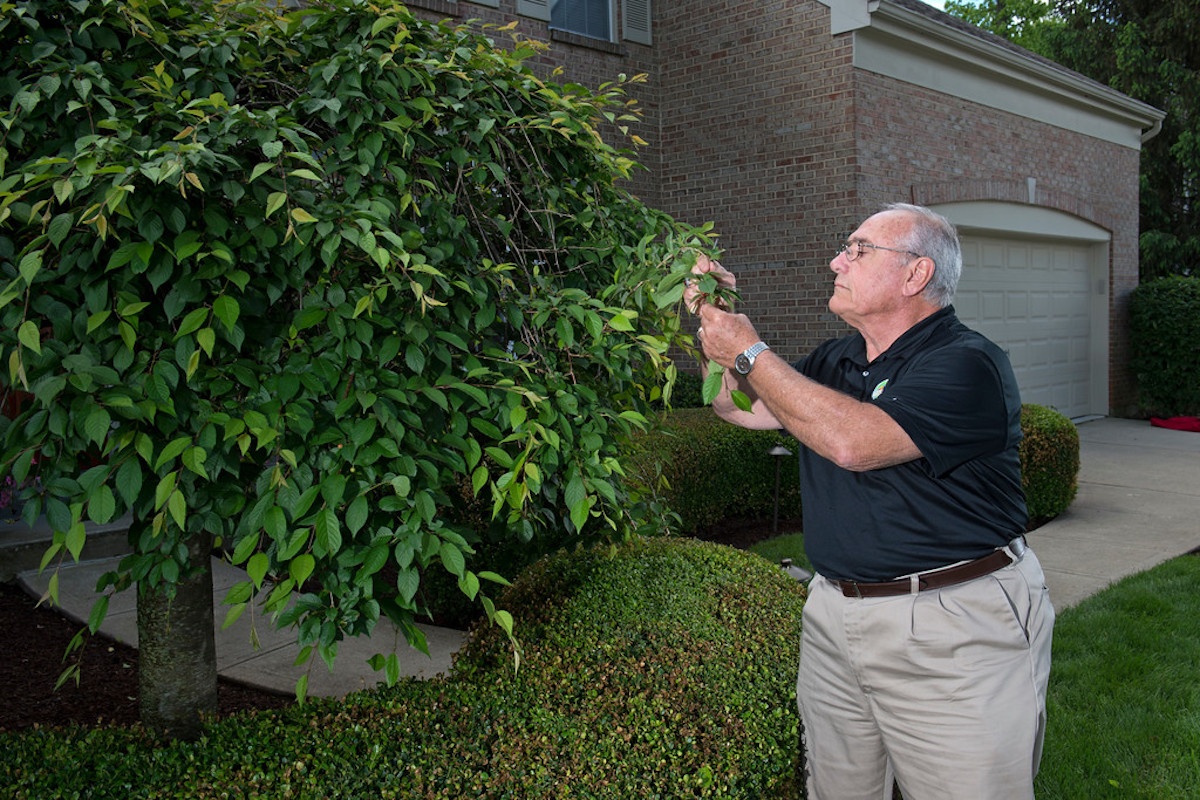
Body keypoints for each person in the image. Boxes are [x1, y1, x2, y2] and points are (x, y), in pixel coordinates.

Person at [686, 203, 1055, 800]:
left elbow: (854, 443)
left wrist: (751, 351)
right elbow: (740, 407)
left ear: (916, 275)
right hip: (835, 615)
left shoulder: (969, 364)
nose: (837, 261)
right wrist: (713, 322)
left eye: (858, 250)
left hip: (951, 626)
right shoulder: (837, 360)